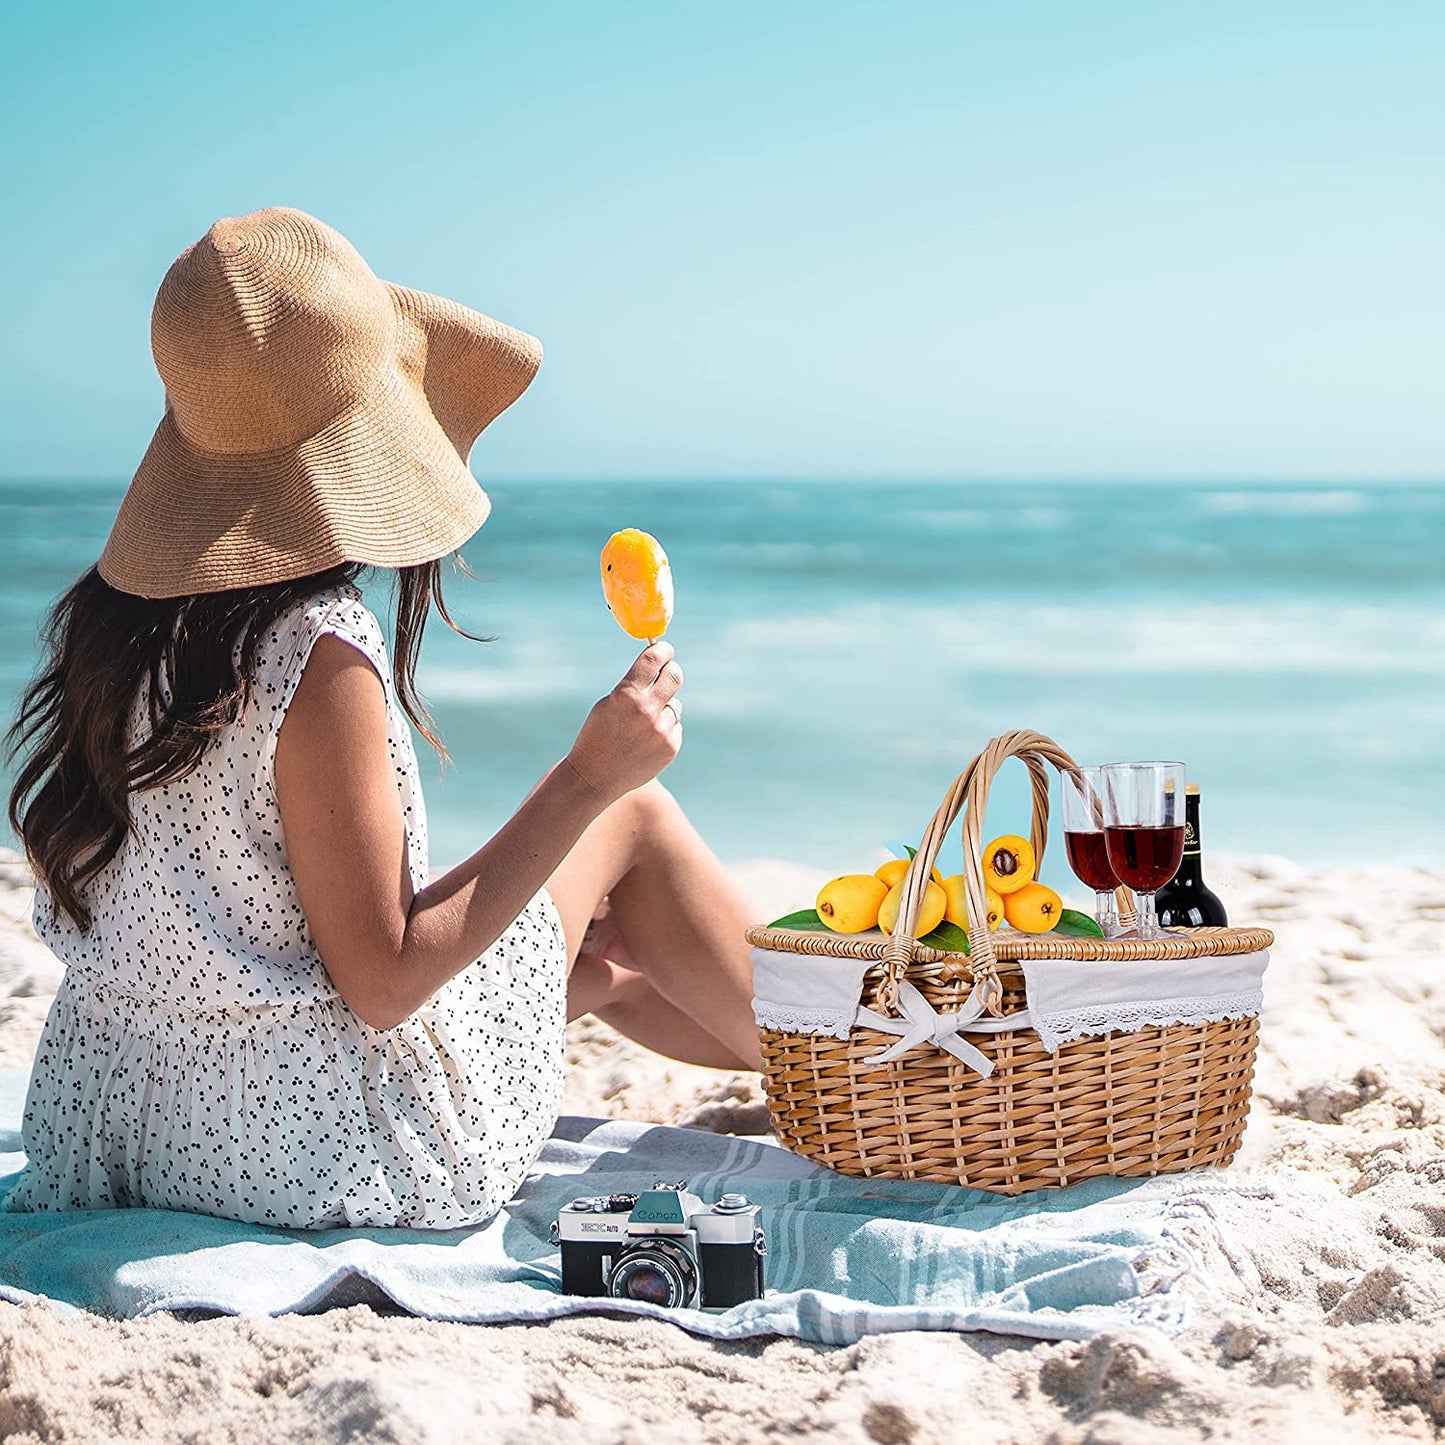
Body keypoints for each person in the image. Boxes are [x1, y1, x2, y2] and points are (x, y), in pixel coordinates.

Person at [3, 207, 761, 1230]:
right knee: (629, 818)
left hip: (112, 1125)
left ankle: (628, 1001)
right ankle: (863, 1073)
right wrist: (593, 772)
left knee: (595, 968)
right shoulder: (312, 646)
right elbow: (383, 983)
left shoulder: (115, 621)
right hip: (297, 1147)